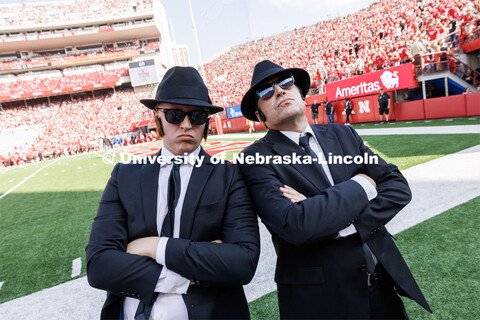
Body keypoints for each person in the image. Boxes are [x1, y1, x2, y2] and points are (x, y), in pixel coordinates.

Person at [238, 60, 431, 319]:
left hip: (382, 288)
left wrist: (340, 223)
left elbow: (397, 186)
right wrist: (363, 184)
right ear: (260, 116)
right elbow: (297, 224)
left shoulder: (344, 134)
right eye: (266, 92)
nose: (280, 92)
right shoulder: (254, 158)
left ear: (300, 93)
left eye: (285, 83)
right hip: (322, 303)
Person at [86, 66, 260, 320]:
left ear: (207, 122)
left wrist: (154, 246)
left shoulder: (230, 175)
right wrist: (186, 274)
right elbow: (99, 265)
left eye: (198, 116)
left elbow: (242, 263)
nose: (187, 125)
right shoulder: (124, 176)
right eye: (175, 115)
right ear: (158, 118)